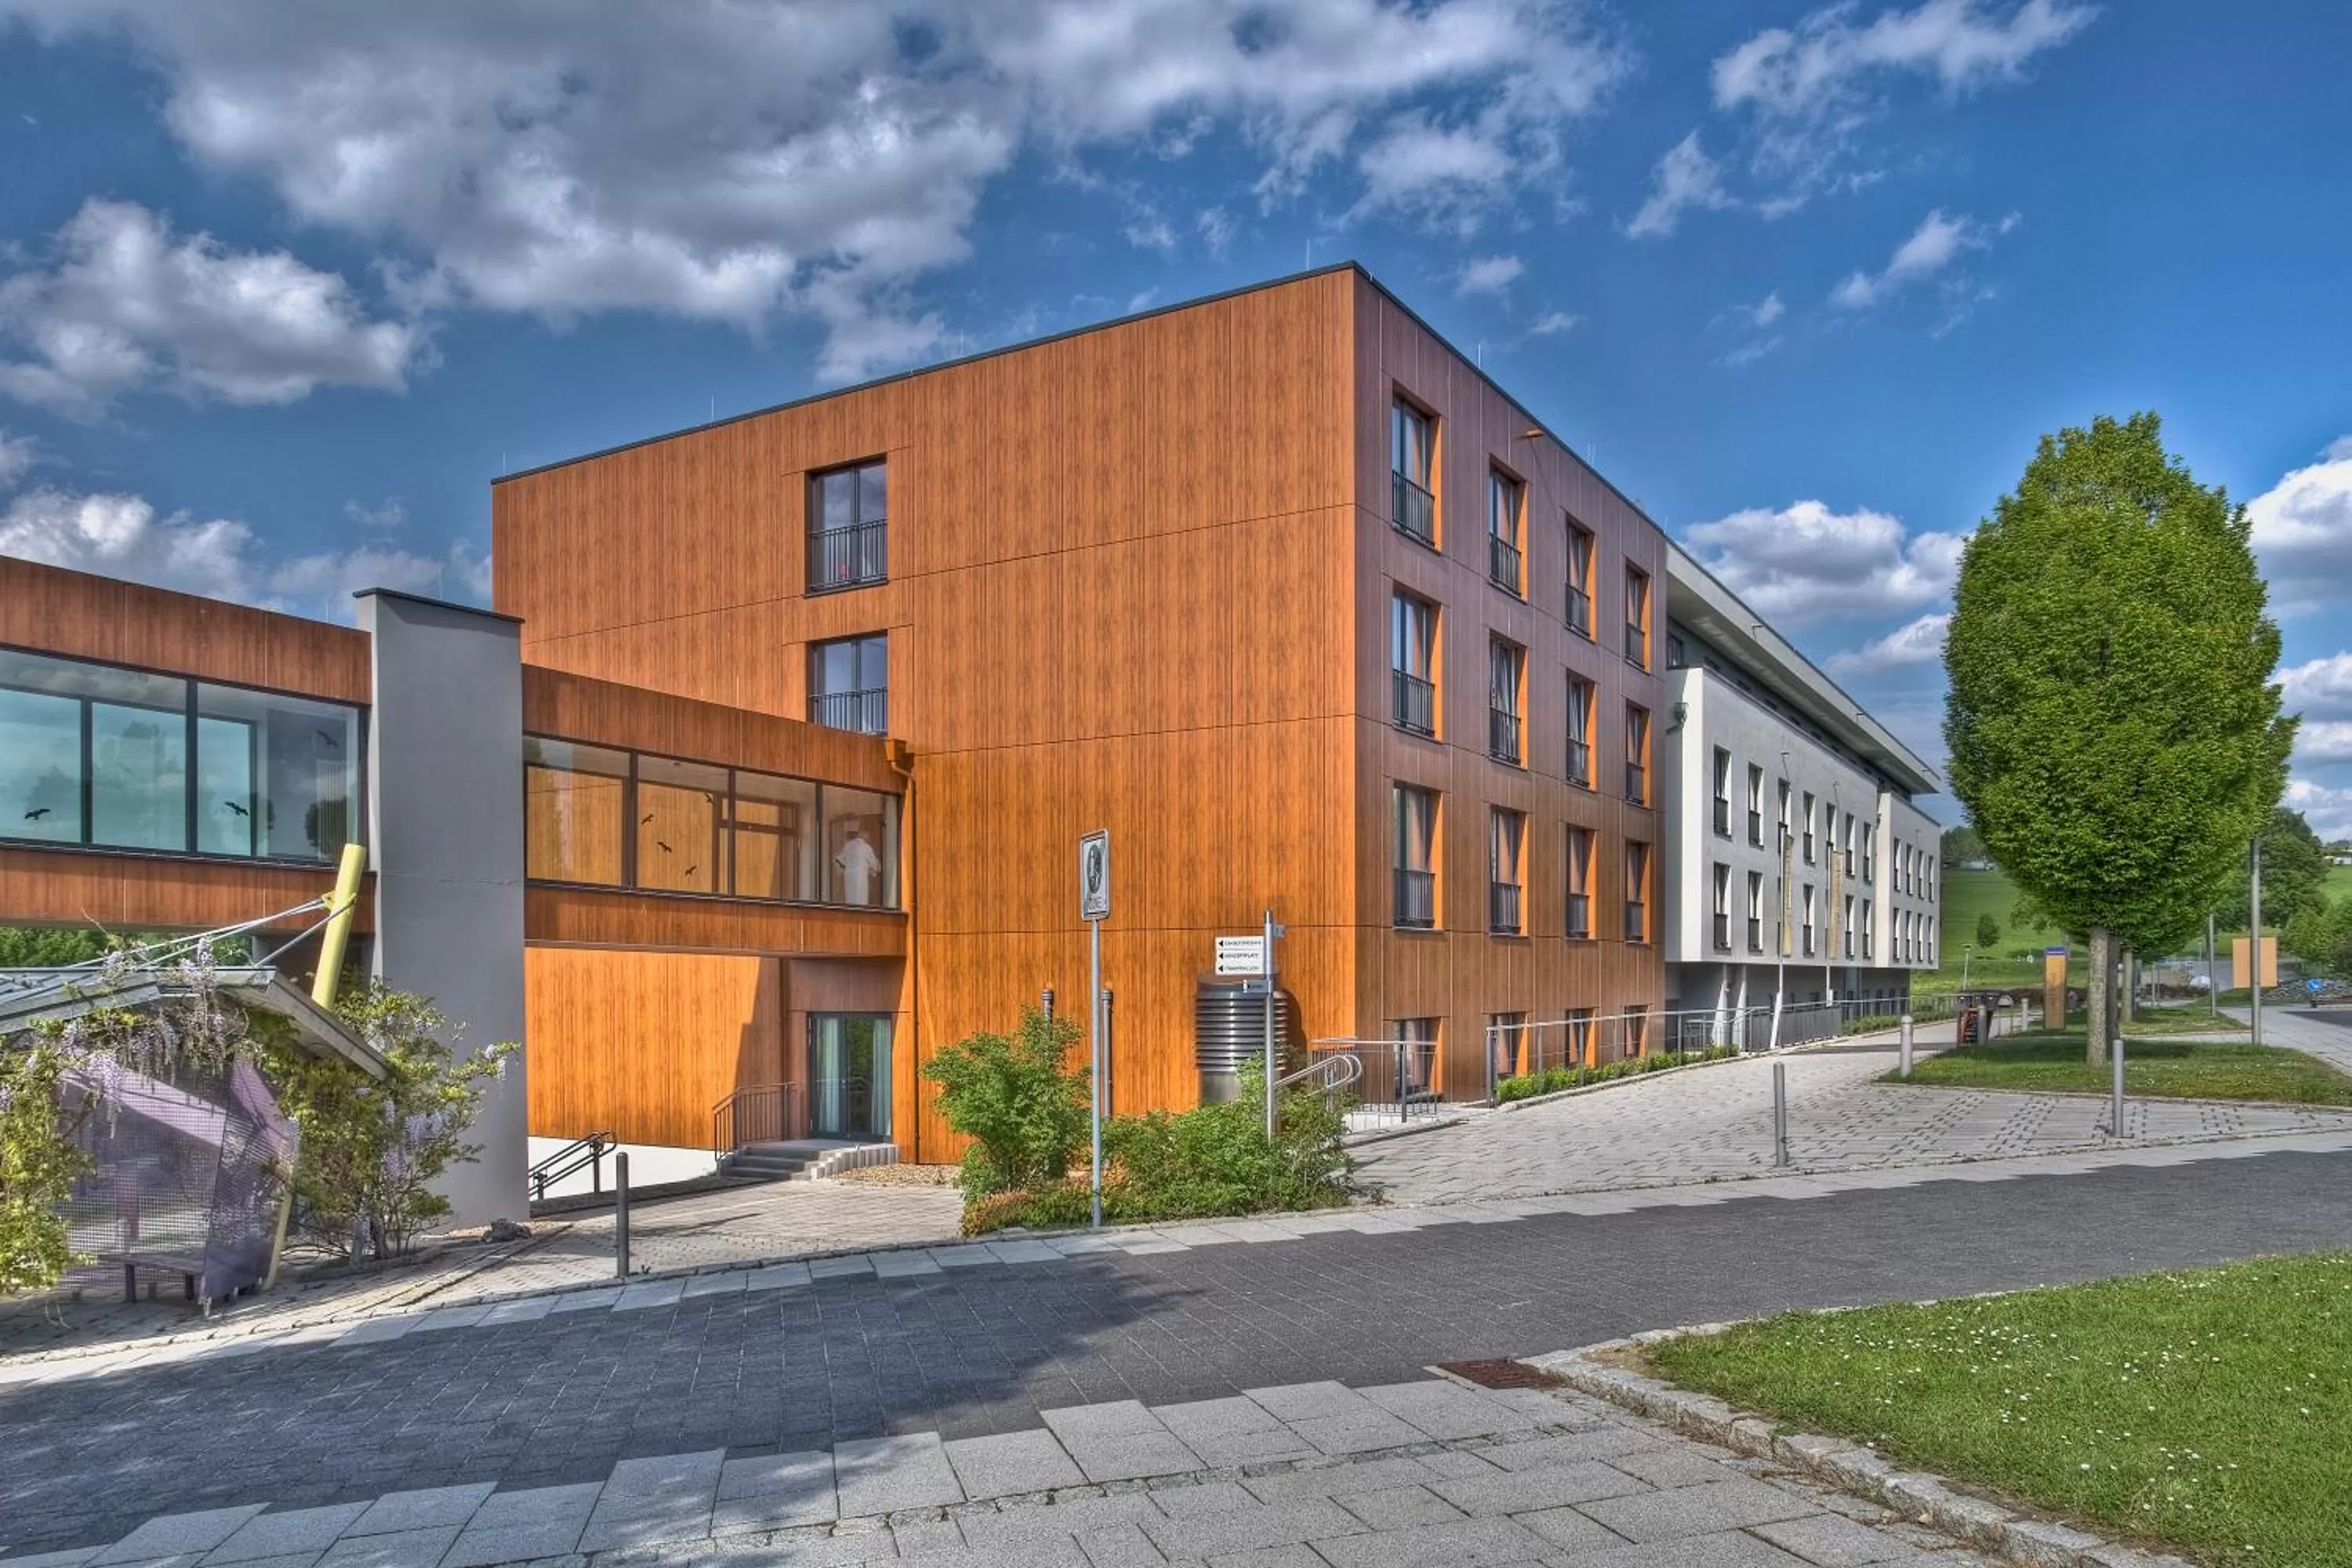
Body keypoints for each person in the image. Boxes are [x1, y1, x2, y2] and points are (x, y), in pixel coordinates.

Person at [835, 820, 881, 906]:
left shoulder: (848, 846)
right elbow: (876, 866)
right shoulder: (866, 847)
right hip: (861, 876)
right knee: (860, 901)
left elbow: (838, 862)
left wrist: (844, 870)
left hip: (849, 877)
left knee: (850, 900)